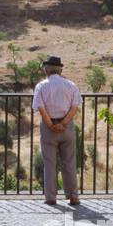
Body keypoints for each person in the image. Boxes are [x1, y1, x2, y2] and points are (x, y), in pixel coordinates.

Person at [32, 55, 81, 206]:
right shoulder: (71, 85)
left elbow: (40, 108)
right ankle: (73, 196)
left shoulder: (41, 86)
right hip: (67, 129)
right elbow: (74, 107)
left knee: (49, 163)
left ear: (47, 70)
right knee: (69, 162)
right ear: (60, 70)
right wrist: (64, 123)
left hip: (49, 128)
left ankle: (51, 198)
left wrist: (51, 125)